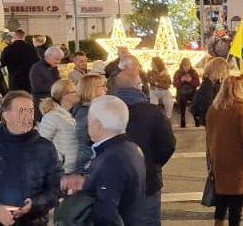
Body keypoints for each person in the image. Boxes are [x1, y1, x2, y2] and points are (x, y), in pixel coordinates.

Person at [0, 90, 62, 226]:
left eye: (30, 111)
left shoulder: (45, 148)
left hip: (32, 222)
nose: (28, 116)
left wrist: (34, 205)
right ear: (6, 116)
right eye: (22, 111)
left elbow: (55, 189)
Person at [113, 64, 176, 226]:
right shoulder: (152, 112)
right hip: (147, 179)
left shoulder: (106, 109)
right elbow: (168, 145)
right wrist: (154, 164)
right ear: (137, 86)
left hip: (114, 182)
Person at [206, 75, 243, 226]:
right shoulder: (241, 109)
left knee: (221, 198)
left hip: (220, 161)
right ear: (237, 90)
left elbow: (209, 136)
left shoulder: (214, 109)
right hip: (239, 164)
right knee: (236, 204)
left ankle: (218, 224)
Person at [81, 95, 146, 225]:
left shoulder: (111, 159)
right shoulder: (130, 148)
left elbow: (106, 212)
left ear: (97, 125)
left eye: (89, 121)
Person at [37, 78, 79, 174]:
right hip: (62, 171)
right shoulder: (51, 117)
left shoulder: (67, 115)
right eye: (74, 91)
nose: (77, 93)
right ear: (65, 95)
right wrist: (59, 161)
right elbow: (42, 144)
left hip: (72, 169)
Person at [71, 74, 107, 173]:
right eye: (102, 86)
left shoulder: (90, 109)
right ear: (92, 89)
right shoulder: (87, 112)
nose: (106, 89)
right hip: (89, 161)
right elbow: (86, 139)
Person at [192, 57, 229, 127]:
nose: (226, 73)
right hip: (213, 120)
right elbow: (208, 105)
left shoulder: (210, 83)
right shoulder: (209, 85)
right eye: (225, 70)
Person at [29, 46, 62, 121]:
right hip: (42, 104)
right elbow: (37, 87)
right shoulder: (37, 68)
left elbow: (57, 80)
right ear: (49, 56)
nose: (58, 62)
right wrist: (57, 87)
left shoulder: (53, 67)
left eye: (60, 59)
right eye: (57, 59)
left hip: (52, 103)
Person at [172, 58, 199, 128]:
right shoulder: (178, 73)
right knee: (182, 99)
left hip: (192, 92)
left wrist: (191, 80)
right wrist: (181, 80)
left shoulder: (194, 72)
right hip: (181, 92)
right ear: (182, 65)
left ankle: (196, 118)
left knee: (196, 100)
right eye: (185, 66)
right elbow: (175, 84)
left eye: (188, 65)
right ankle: (182, 118)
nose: (187, 67)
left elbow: (197, 83)